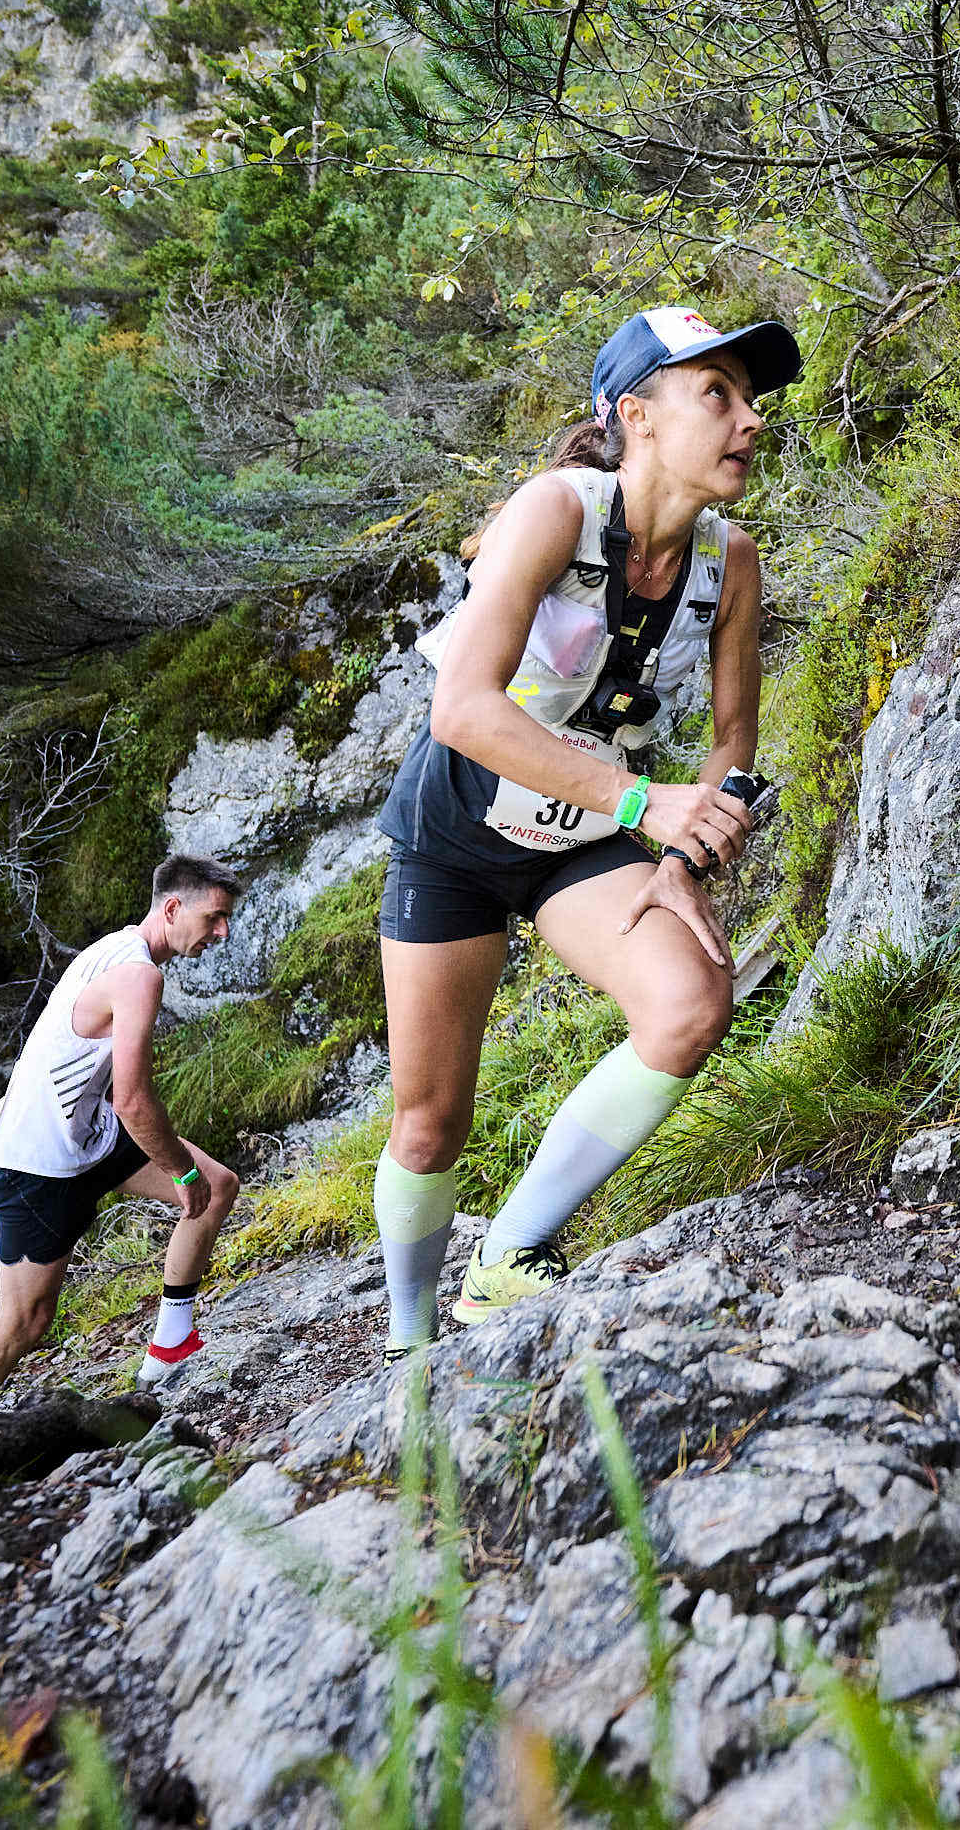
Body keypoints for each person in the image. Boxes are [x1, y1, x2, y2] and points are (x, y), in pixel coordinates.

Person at [368, 306, 797, 1356]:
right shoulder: (554, 508)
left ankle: (506, 1255)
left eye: (751, 399)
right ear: (635, 415)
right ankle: (407, 1343)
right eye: (718, 394)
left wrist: (684, 859)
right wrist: (648, 807)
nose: (750, 420)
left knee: (691, 1004)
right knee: (430, 1121)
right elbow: (461, 708)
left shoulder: (731, 560)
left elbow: (733, 739)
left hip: (582, 835)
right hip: (456, 831)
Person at [0, 855, 247, 1449]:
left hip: (86, 1136)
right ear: (173, 908)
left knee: (217, 1186)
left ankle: (170, 1345)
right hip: (37, 1162)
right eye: (214, 918)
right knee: (24, 1322)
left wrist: (192, 1176)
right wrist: (180, 1171)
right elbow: (133, 1100)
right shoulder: (138, 975)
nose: (221, 933)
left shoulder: (118, 948)